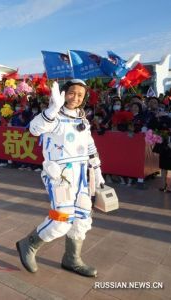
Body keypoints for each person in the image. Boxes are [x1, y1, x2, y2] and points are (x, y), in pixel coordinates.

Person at [16, 79, 105, 277]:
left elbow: (89, 145)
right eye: (72, 93)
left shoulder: (82, 118)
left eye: (80, 95)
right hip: (60, 175)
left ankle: (72, 259)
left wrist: (97, 169)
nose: (76, 98)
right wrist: (52, 108)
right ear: (63, 94)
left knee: (82, 218)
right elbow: (34, 129)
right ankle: (28, 245)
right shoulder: (53, 116)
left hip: (82, 175)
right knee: (62, 220)